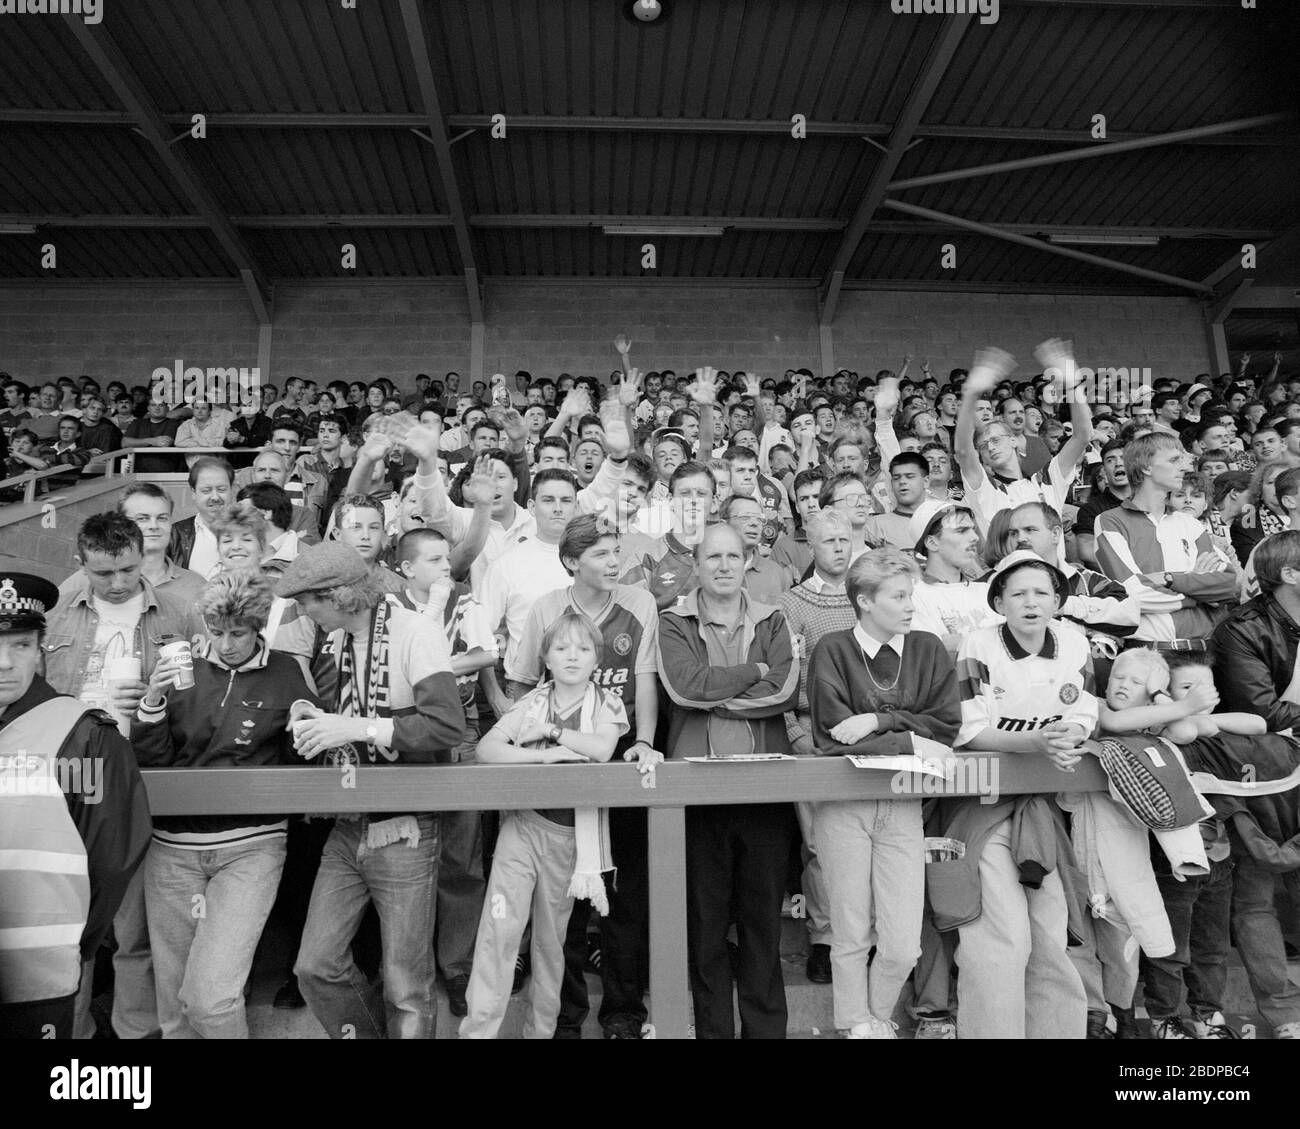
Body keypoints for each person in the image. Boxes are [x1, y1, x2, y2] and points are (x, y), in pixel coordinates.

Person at [277, 542, 465, 1039]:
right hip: (347, 822)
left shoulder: (414, 630)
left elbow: (447, 727)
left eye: (307, 601)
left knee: (406, 984)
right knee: (314, 965)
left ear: (338, 596)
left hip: (405, 826)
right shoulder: (335, 639)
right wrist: (310, 716)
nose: (302, 611)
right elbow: (336, 714)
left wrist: (359, 728)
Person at [131, 569, 318, 1038]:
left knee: (210, 1001)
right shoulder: (182, 668)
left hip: (251, 847)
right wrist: (152, 702)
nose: (227, 643)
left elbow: (303, 767)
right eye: (217, 633)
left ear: (258, 627)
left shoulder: (288, 672)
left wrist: (305, 726)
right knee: (175, 1008)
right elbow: (152, 761)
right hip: (171, 848)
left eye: (238, 633)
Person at [507, 513, 662, 1039]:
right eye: (600, 553)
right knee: (563, 909)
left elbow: (644, 681)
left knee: (623, 897)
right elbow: (523, 681)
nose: (614, 561)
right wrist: (528, 742)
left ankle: (623, 1012)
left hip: (617, 763)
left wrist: (642, 740)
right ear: (572, 561)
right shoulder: (548, 607)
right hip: (556, 775)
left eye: (617, 550)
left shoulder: (639, 603)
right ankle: (563, 1017)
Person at [942, 550, 1098, 1039]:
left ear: (1057, 599)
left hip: (1045, 806)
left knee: (1051, 937)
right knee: (1001, 939)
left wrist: (1065, 739)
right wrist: (1037, 743)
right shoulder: (978, 644)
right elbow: (971, 731)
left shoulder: (1074, 644)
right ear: (999, 601)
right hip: (982, 805)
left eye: (1041, 592)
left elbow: (1084, 715)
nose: (1031, 602)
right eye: (1018, 593)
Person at [807, 547, 960, 1039]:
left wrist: (882, 721)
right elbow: (832, 737)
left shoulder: (929, 648)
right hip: (844, 803)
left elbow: (947, 727)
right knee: (850, 933)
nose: (910, 604)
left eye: (910, 594)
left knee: (902, 945)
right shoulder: (832, 649)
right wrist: (915, 737)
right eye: (898, 596)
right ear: (865, 601)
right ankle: (860, 1027)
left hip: (903, 802)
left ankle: (874, 1015)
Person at [657, 523, 800, 1038]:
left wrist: (720, 692)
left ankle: (765, 1032)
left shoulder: (774, 618)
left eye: (733, 556)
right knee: (706, 928)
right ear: (695, 564)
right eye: (712, 556)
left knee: (763, 924)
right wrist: (752, 670)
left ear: (748, 561)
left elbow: (783, 690)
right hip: (696, 793)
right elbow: (684, 688)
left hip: (764, 791)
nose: (722, 565)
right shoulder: (672, 620)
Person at [461, 611, 628, 1039]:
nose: (572, 656)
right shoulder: (531, 702)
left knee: (551, 946)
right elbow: (487, 748)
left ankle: (540, 1032)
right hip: (523, 827)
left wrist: (552, 733)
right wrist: (542, 756)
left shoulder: (605, 701)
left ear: (597, 660)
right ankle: (477, 1032)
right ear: (546, 658)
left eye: (584, 648)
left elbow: (602, 749)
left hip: (570, 837)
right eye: (561, 648)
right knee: (498, 932)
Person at [0, 574, 151, 1039]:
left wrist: (75, 946)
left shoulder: (80, 736)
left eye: (21, 645)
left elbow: (110, 858)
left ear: (41, 649)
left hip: (36, 980)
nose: (5, 663)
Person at [777, 509, 858, 983]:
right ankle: (826, 939)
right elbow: (782, 674)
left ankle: (862, 936)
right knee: (819, 843)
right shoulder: (793, 604)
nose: (838, 548)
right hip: (814, 731)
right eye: (828, 541)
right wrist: (793, 731)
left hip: (871, 732)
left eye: (844, 538)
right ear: (810, 545)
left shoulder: (869, 596)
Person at [1095, 433, 1237, 648]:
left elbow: (1227, 585)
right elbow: (1132, 594)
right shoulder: (1110, 521)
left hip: (1207, 649)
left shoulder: (1189, 523)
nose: (1183, 467)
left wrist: (1169, 579)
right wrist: (1196, 591)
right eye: (1173, 460)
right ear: (1146, 467)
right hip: (1149, 652)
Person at [168, 457, 235, 576]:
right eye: (206, 490)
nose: (215, 497)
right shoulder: (175, 534)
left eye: (221, 489)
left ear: (232, 490)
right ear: (193, 492)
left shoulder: (250, 530)